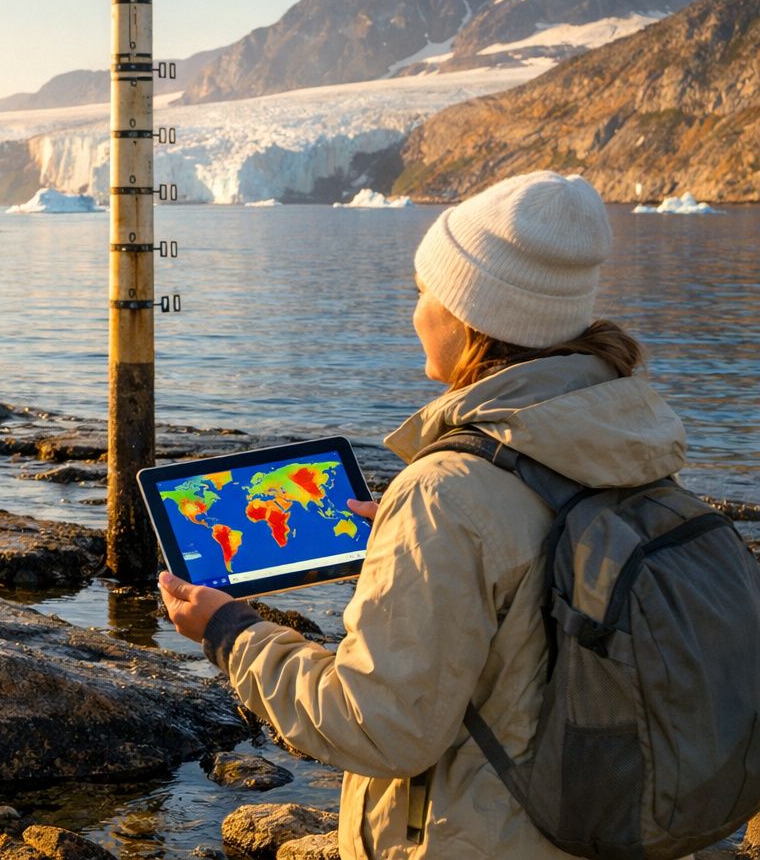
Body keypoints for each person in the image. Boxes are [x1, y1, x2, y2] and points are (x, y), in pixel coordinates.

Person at [159, 171, 688, 858]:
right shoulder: (629, 440)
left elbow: (378, 725)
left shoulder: (449, 492)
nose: (413, 314)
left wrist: (231, 633)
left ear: (470, 316)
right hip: (611, 830)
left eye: (423, 293)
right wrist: (412, 542)